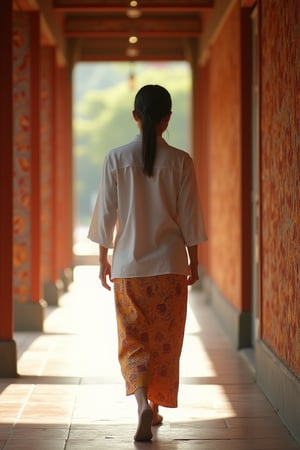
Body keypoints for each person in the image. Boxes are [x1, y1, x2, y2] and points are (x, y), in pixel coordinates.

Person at [88, 84, 207, 441]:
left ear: (135, 117)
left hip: (129, 268)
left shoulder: (115, 158)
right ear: (167, 120)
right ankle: (155, 410)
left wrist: (102, 260)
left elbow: (106, 216)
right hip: (170, 267)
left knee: (133, 340)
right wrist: (194, 263)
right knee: (165, 341)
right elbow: (190, 219)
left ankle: (141, 402)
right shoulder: (181, 161)